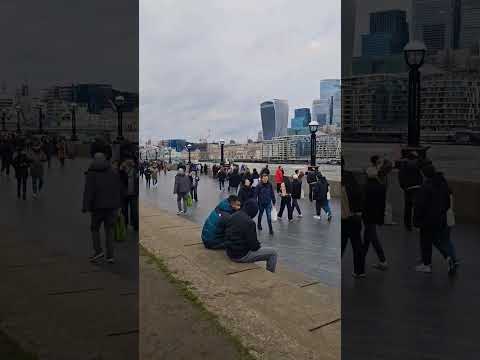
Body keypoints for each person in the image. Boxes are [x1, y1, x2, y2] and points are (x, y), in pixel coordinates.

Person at [82, 153, 123, 263]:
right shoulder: (113, 172)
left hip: (97, 207)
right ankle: (110, 256)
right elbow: (117, 190)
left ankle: (98, 251)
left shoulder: (91, 173)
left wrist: (85, 206)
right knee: (109, 230)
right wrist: (118, 206)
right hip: (111, 208)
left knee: (95, 229)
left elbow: (88, 192)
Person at [413, 164, 453, 274]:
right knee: (438, 241)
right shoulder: (442, 183)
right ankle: (449, 258)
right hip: (440, 218)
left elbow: (419, 206)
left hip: (427, 220)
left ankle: (427, 265)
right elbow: (447, 203)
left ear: (424, 174)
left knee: (425, 242)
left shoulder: (425, 187)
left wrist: (416, 222)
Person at [224, 199, 278, 273]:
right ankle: (270, 274)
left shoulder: (233, 216)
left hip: (230, 252)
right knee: (273, 253)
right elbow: (254, 247)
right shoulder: (250, 223)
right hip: (240, 256)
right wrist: (258, 245)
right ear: (253, 212)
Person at [341, 158, 365, 278]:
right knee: (357, 245)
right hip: (355, 217)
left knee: (342, 244)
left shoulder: (344, 179)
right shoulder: (351, 177)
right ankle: (360, 271)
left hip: (344, 218)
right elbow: (359, 194)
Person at [363, 166, 388, 270]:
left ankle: (383, 260)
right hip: (376, 216)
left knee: (373, 238)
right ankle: (361, 258)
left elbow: (363, 203)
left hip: (368, 216)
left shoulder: (366, 187)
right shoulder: (381, 187)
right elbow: (382, 204)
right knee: (367, 238)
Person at [398, 151, 423, 231]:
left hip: (408, 188)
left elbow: (400, 176)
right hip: (417, 187)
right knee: (417, 206)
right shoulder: (417, 164)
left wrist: (403, 186)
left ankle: (407, 225)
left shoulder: (404, 165)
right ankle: (417, 224)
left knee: (408, 207)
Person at [119, 159, 139, 231]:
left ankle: (135, 225)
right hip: (124, 194)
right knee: (124, 211)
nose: (127, 167)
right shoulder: (122, 172)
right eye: (126, 165)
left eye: (129, 165)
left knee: (134, 211)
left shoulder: (135, 171)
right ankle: (125, 224)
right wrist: (121, 169)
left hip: (133, 194)